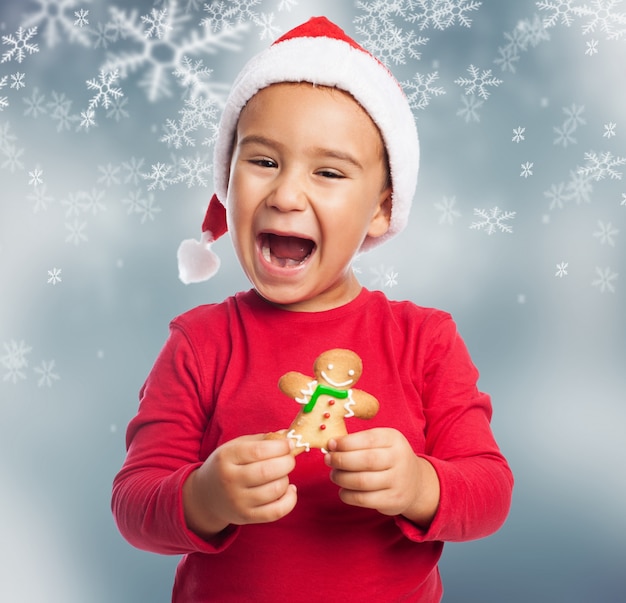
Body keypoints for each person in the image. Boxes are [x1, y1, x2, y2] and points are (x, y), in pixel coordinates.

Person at [112, 16, 513, 602]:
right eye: (264, 161)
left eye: (327, 172)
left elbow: (490, 491)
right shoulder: (200, 342)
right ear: (228, 180)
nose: (286, 194)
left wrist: (419, 485)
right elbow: (133, 503)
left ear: (381, 209)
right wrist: (203, 497)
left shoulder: (425, 339)